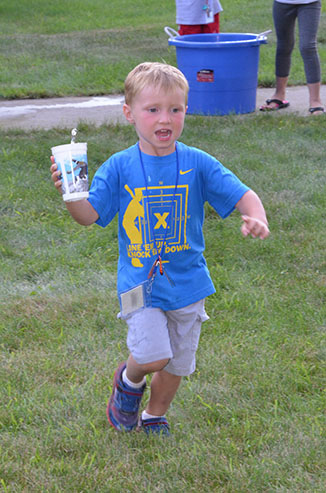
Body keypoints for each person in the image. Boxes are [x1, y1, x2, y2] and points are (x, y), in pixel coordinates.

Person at [50, 62, 270, 436]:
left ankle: (154, 415)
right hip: (139, 284)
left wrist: (255, 215)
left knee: (176, 364)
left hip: (189, 284)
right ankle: (129, 381)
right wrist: (72, 194)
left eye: (175, 109)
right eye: (152, 110)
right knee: (153, 354)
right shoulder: (120, 167)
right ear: (129, 113)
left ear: (186, 110)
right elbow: (88, 216)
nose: (164, 118)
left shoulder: (198, 162)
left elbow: (242, 194)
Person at [260, 0, 324, 115]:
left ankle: (315, 101)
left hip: (310, 2)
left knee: (307, 47)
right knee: (283, 46)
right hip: (282, 2)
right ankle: (279, 95)